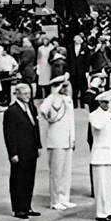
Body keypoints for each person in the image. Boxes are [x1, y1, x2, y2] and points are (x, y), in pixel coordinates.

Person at [5, 82, 42, 219]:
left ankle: (27, 205)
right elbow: (10, 134)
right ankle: (19, 208)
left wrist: (38, 145)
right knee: (18, 179)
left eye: (29, 93)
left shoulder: (31, 107)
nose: (28, 96)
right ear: (18, 94)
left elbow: (35, 128)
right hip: (20, 150)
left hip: (31, 149)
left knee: (29, 179)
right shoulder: (12, 111)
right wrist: (12, 152)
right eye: (25, 94)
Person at [40, 74, 76, 210]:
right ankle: (55, 200)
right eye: (63, 86)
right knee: (56, 172)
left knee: (66, 171)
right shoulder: (52, 98)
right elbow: (43, 110)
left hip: (67, 140)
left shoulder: (68, 100)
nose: (66, 88)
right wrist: (54, 96)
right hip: (56, 140)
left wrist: (72, 139)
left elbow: (71, 121)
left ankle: (64, 197)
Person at [88, 89, 111, 221]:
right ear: (99, 102)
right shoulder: (95, 115)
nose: (108, 105)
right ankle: (101, 213)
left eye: (110, 102)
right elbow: (99, 126)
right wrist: (106, 114)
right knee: (101, 187)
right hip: (101, 155)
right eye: (105, 102)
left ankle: (109, 210)